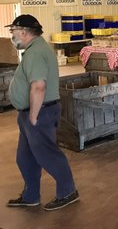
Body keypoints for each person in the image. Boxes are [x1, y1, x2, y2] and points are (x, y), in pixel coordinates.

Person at [6, 15, 79, 211]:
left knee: (48, 155)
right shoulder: (34, 49)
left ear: (23, 31)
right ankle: (31, 196)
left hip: (39, 112)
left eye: (12, 31)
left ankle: (68, 191)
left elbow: (38, 86)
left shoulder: (36, 52)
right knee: (25, 157)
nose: (11, 35)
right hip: (32, 112)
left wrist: (33, 117)